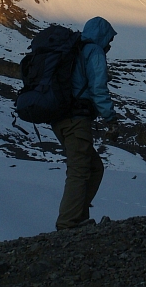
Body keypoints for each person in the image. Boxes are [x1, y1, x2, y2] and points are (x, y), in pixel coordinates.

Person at [51, 16, 118, 230]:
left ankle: (79, 217)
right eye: (108, 40)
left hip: (59, 119)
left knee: (93, 167)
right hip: (76, 119)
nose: (109, 45)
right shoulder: (93, 52)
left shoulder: (73, 49)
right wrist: (110, 118)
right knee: (80, 170)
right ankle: (69, 223)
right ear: (103, 36)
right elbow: (98, 89)